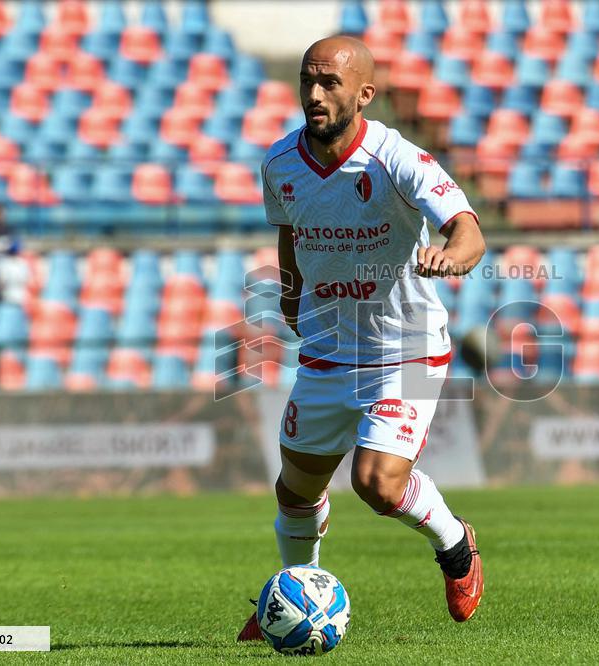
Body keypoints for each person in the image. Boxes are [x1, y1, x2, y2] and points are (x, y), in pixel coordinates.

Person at [238, 36, 487, 641]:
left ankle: (457, 548)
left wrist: (451, 257)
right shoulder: (279, 163)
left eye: (330, 83)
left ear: (365, 94)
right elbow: (289, 235)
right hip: (327, 348)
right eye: (308, 81)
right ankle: (296, 596)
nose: (315, 94)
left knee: (376, 483)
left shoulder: (398, 160)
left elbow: (469, 231)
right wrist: (291, 296)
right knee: (295, 492)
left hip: (404, 347)